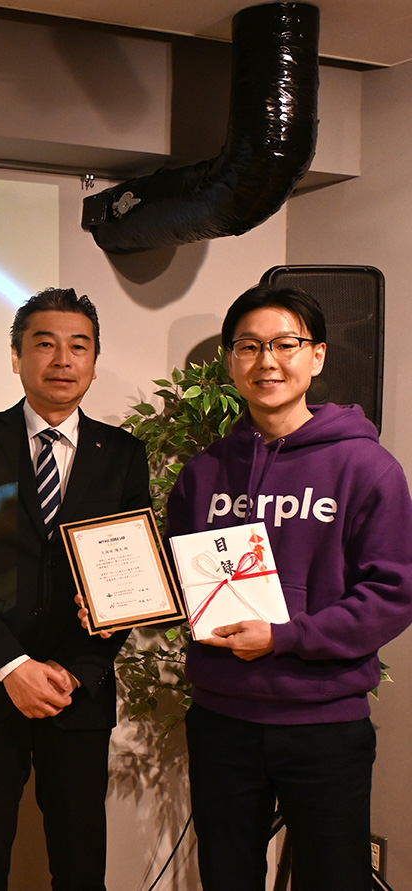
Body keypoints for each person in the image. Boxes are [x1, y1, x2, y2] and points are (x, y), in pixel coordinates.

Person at [166, 284, 412, 891]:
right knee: (226, 876)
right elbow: (178, 579)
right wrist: (118, 601)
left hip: (323, 721)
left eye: (284, 344)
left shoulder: (367, 468)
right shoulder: (203, 473)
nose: (266, 361)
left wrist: (285, 637)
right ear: (230, 362)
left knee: (333, 878)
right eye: (248, 346)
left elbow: (392, 593)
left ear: (317, 355)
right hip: (222, 717)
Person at [0, 287, 151, 891]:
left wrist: (78, 670)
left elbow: (130, 580)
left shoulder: (123, 454)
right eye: (45, 344)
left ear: (94, 362)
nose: (62, 360)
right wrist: (13, 667)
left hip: (77, 687)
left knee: (81, 862)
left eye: (79, 346)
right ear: (16, 356)